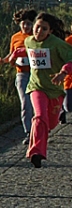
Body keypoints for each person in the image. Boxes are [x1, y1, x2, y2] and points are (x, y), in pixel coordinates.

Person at [19, 13, 72, 168]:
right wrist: (9, 58)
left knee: (50, 123)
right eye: (37, 27)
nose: (39, 31)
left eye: (44, 29)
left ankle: (37, 145)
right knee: (39, 116)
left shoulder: (57, 44)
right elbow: (24, 51)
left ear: (50, 31)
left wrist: (63, 72)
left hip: (55, 89)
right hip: (36, 87)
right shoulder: (28, 41)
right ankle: (36, 152)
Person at [1, 9, 37, 145]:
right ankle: (28, 132)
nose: (26, 27)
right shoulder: (15, 37)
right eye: (24, 24)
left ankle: (39, 129)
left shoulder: (36, 37)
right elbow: (11, 55)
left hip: (36, 74)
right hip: (21, 73)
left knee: (36, 104)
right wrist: (5, 60)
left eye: (29, 24)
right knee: (25, 103)